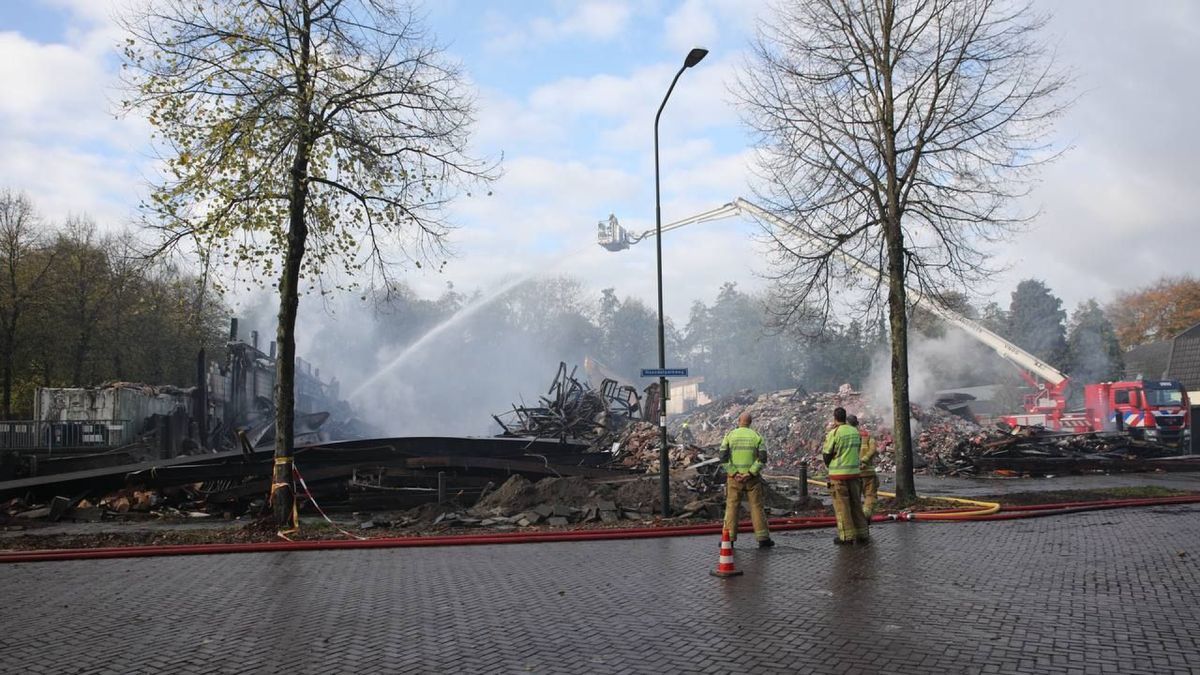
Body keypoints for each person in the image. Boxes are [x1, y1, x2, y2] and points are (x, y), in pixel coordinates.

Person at [720, 411, 774, 548]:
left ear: (739, 421)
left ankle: (729, 539)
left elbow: (723, 458)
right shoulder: (756, 436)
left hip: (734, 479)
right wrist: (750, 473)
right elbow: (763, 458)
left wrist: (734, 473)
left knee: (732, 506)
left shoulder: (730, 435)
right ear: (750, 422)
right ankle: (763, 538)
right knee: (756, 507)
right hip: (752, 479)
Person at [822, 407, 869, 545]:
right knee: (856, 504)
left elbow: (826, 454)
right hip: (854, 474)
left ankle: (846, 537)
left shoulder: (834, 433)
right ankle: (863, 533)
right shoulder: (854, 431)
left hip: (838, 476)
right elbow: (858, 448)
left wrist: (830, 464)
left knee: (842, 507)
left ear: (834, 418)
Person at [847, 414, 879, 518]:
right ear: (857, 423)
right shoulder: (867, 435)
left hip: (852, 473)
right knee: (870, 496)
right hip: (868, 472)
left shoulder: (845, 437)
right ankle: (866, 514)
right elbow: (873, 449)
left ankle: (856, 517)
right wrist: (864, 460)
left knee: (854, 497)